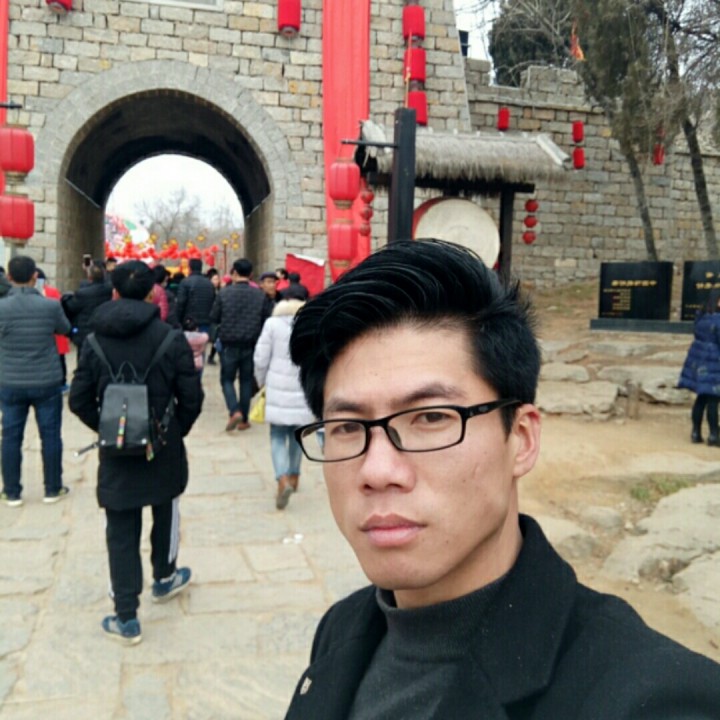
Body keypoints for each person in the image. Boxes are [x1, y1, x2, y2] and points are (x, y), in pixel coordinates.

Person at [283, 239, 720, 719]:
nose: (377, 471)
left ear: (522, 439)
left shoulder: (654, 698)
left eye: (432, 417)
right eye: (347, 427)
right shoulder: (344, 629)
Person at [69, 260, 204, 645]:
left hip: (117, 452)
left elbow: (78, 399)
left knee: (121, 529)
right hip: (162, 446)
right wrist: (172, 431)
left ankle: (126, 616)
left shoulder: (93, 341)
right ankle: (165, 576)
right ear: (151, 293)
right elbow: (191, 397)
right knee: (166, 510)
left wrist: (111, 428)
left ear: (114, 292)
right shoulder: (170, 338)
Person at [0, 256, 71, 507]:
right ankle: (53, 488)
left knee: (10, 436)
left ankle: (11, 491)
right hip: (46, 380)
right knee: (50, 435)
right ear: (34, 276)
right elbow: (65, 328)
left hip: (10, 380)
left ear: (9, 277)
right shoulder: (50, 306)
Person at [254, 296, 315, 509]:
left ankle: (281, 478)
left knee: (277, 436)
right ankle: (294, 475)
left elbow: (260, 357)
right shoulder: (309, 323)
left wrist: (261, 381)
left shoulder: (272, 324)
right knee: (297, 436)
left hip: (277, 388)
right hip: (301, 388)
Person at [210, 258, 272, 431]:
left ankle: (234, 410)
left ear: (235, 273)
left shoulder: (224, 294)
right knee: (246, 381)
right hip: (251, 344)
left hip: (229, 343)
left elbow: (214, 317)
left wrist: (216, 336)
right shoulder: (260, 295)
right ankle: (244, 418)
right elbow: (266, 319)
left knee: (227, 379)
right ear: (251, 274)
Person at [678, 288, 720, 445]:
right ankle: (714, 435)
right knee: (713, 400)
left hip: (699, 361)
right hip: (714, 362)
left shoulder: (701, 317)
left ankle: (696, 433)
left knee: (701, 398)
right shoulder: (718, 320)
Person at [63, 264, 113, 350]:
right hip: (104, 332)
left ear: (89, 277)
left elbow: (71, 307)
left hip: (85, 333)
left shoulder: (83, 294)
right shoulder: (109, 290)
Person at [36, 268, 71, 391]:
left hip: (40, 334)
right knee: (60, 359)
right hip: (56, 332)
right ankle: (62, 383)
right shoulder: (52, 291)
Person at [175, 258, 215, 335]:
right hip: (206, 322)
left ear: (190, 268)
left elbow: (180, 303)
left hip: (189, 323)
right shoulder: (209, 283)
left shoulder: (185, 282)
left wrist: (178, 321)